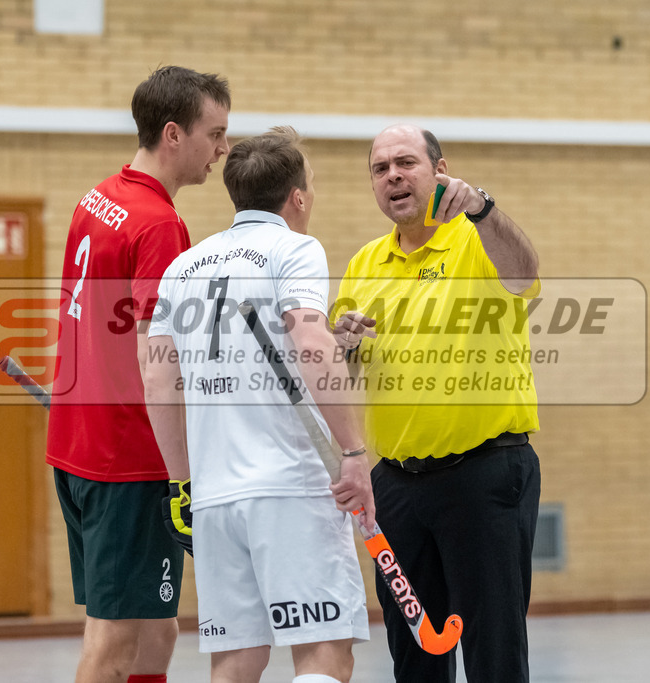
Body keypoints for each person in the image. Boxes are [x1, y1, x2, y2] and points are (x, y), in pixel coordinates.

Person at [144, 126, 375, 683]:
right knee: (324, 654)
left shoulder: (184, 266)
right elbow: (310, 345)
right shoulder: (295, 248)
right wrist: (353, 450)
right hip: (290, 487)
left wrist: (182, 484)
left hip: (216, 496)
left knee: (236, 662)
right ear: (297, 196)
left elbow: (155, 378)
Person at [330, 124, 542, 682]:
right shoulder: (365, 263)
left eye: (406, 163)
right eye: (380, 169)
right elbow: (347, 375)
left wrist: (484, 209)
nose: (393, 176)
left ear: (439, 169)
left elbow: (524, 276)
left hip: (484, 475)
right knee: (414, 655)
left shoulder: (477, 238)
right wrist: (342, 345)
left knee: (494, 652)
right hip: (397, 488)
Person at [45, 65, 230, 683]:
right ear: (174, 134)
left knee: (154, 625)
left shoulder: (97, 197)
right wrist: (184, 475)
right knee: (115, 640)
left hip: (77, 448)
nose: (222, 150)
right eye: (215, 133)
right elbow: (161, 356)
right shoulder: (159, 225)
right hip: (126, 461)